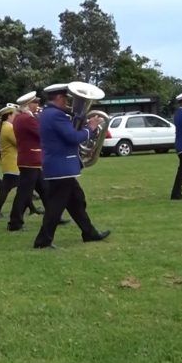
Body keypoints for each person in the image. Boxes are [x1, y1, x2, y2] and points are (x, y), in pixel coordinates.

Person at [33, 84, 110, 249]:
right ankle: (43, 241)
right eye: (67, 99)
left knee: (77, 201)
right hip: (61, 166)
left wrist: (83, 125)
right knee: (55, 206)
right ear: (59, 98)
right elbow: (73, 138)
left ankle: (89, 233)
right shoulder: (56, 115)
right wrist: (91, 127)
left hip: (60, 166)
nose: (69, 103)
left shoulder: (49, 113)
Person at [7, 92, 48, 231]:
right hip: (31, 159)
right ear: (28, 104)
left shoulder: (20, 117)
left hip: (30, 159)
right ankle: (15, 222)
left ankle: (53, 216)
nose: (38, 105)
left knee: (45, 190)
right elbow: (42, 133)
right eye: (35, 103)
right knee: (24, 193)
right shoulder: (27, 119)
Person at [0, 106, 18, 219]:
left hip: (10, 163)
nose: (16, 116)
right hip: (13, 163)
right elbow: (18, 142)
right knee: (8, 189)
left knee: (21, 188)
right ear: (10, 115)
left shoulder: (5, 127)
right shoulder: (9, 128)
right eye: (14, 114)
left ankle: (32, 208)